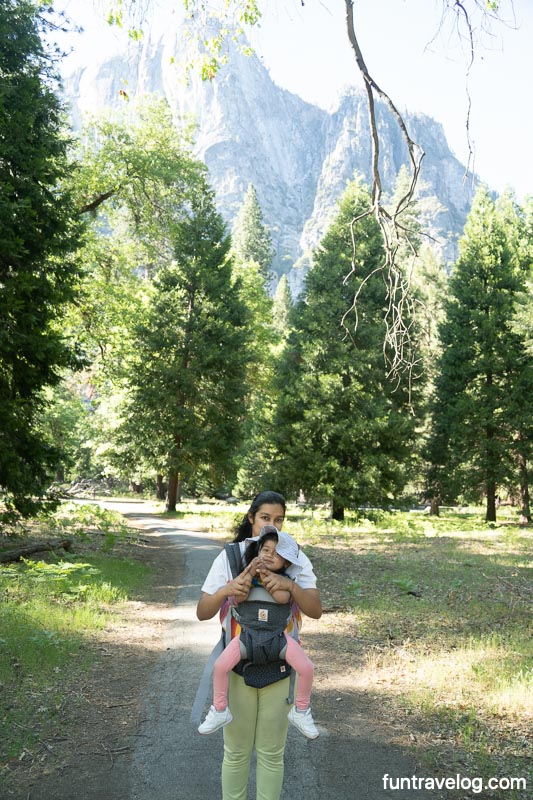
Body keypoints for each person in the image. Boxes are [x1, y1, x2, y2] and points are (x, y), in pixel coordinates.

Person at [196, 490, 322, 800]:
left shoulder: (292, 556)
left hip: (280, 666)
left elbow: (316, 609)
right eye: (265, 518)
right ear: (252, 518)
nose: (272, 525)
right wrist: (228, 589)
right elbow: (202, 611)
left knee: (271, 754)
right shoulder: (229, 557)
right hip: (239, 666)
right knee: (236, 752)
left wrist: (290, 585)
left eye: (279, 520)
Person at [198, 526, 318, 739]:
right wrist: (251, 572)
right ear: (257, 552)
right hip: (247, 636)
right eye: (265, 550)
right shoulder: (247, 577)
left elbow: (281, 599)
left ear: (286, 563)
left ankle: (301, 710)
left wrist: (282, 583)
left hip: (278, 639)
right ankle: (219, 709)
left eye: (277, 553)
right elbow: (239, 597)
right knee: (220, 665)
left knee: (307, 667)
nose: (269, 555)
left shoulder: (285, 583)